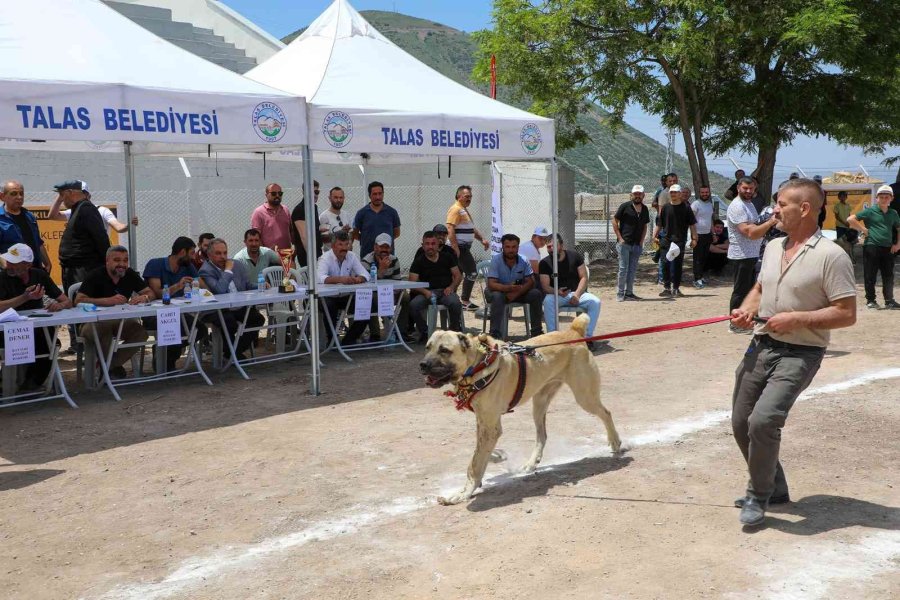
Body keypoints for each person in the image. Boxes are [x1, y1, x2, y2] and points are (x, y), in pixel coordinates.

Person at [729, 178, 856, 527]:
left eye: (782, 204)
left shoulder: (832, 256)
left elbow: (846, 313)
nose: (775, 210)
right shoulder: (772, 246)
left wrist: (797, 318)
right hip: (761, 345)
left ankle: (759, 494)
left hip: (801, 352)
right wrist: (746, 310)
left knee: (764, 420)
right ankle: (775, 487)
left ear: (804, 209)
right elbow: (759, 288)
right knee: (741, 421)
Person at [0, 244, 71, 391]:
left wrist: (59, 305)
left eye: (14, 262)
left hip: (34, 326)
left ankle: (33, 383)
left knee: (51, 341)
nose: (9, 265)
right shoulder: (2, 277)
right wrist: (25, 297)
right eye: (8, 260)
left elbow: (67, 301)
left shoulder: (39, 275)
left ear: (27, 265)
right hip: (6, 329)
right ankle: (7, 384)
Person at [75, 246, 151, 379]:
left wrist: (144, 297)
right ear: (107, 261)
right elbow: (78, 300)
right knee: (103, 330)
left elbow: (150, 292)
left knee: (140, 333)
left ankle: (109, 365)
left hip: (120, 320)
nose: (122, 264)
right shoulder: (95, 275)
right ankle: (111, 368)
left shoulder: (130, 274)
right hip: (92, 322)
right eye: (117, 260)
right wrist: (107, 301)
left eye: (125, 260)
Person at [142, 236, 202, 372]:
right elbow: (157, 293)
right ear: (182, 252)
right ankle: (165, 361)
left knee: (200, 329)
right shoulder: (155, 264)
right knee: (182, 327)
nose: (193, 257)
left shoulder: (188, 266)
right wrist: (178, 286)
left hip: (178, 313)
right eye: (191, 253)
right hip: (154, 314)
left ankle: (167, 356)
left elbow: (200, 283)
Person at [199, 238, 266, 359]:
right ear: (209, 255)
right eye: (218, 253)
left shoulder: (237, 264)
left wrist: (261, 285)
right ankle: (234, 354)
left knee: (257, 319)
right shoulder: (206, 270)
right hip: (217, 309)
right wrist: (228, 271)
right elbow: (220, 290)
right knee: (229, 322)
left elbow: (247, 285)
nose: (223, 256)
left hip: (238, 306)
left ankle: (233, 352)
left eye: (225, 253)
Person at [726, 177, 777, 332]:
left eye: (751, 189)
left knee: (750, 291)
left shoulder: (749, 204)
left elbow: (755, 226)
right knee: (740, 292)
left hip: (751, 254)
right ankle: (734, 323)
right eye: (745, 188)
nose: (748, 191)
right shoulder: (737, 206)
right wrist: (770, 222)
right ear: (738, 188)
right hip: (741, 255)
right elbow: (749, 232)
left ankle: (746, 321)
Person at [539, 235, 601, 348]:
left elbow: (584, 277)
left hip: (577, 293)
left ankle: (586, 338)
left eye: (554, 246)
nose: (551, 249)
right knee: (548, 301)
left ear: (562, 245)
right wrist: (557, 291)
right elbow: (545, 286)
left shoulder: (575, 256)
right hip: (557, 295)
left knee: (595, 302)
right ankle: (553, 338)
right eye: (548, 247)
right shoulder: (544, 263)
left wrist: (577, 295)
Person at [316, 230, 374, 346]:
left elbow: (366, 274)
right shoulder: (325, 258)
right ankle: (332, 340)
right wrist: (341, 279)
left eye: (346, 244)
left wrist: (359, 279)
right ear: (333, 246)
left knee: (366, 304)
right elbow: (321, 278)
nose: (344, 248)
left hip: (345, 296)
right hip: (326, 297)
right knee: (329, 306)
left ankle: (348, 341)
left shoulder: (351, 256)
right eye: (340, 244)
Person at [847, 184, 900, 310]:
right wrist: (863, 229)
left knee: (888, 275)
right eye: (881, 197)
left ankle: (889, 301)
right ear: (877, 198)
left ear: (891, 198)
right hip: (871, 246)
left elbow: (899, 228)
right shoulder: (870, 211)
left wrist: (898, 244)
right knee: (870, 274)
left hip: (888, 248)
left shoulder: (893, 213)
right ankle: (871, 301)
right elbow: (850, 219)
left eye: (887, 197)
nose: (884, 199)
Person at [57, 180, 111, 298]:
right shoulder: (77, 209)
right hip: (73, 270)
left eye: (62, 195)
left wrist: (107, 265)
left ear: (70, 192)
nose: (61, 199)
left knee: (83, 303)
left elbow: (101, 239)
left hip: (84, 270)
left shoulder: (86, 208)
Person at [486, 233, 543, 339]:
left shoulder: (524, 260)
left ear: (518, 247)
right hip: (498, 291)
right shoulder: (496, 260)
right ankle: (494, 334)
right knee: (497, 296)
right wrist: (507, 288)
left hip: (517, 290)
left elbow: (530, 281)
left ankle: (537, 333)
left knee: (536, 294)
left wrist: (516, 293)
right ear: (503, 247)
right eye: (507, 247)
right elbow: (491, 284)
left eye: (514, 247)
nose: (511, 250)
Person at [408, 231, 463, 342]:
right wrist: (425, 292)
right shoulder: (418, 261)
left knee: (455, 303)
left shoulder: (447, 257)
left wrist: (451, 287)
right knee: (413, 305)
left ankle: (453, 332)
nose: (430, 247)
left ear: (438, 245)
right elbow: (412, 282)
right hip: (427, 293)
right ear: (423, 245)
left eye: (433, 244)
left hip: (445, 292)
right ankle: (425, 332)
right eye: (427, 244)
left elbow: (458, 275)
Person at [445, 185, 489, 311]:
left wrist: (482, 239)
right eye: (466, 196)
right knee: (472, 272)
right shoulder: (456, 209)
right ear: (459, 196)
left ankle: (451, 298)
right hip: (460, 248)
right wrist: (455, 248)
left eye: (470, 196)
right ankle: (464, 300)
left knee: (457, 276)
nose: (469, 199)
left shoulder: (463, 210)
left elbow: (471, 229)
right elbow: (450, 228)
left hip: (463, 248)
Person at [361, 232, 409, 340]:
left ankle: (401, 331)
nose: (384, 250)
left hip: (390, 292)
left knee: (405, 296)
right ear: (375, 247)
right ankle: (375, 334)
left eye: (387, 247)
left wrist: (392, 292)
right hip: (374, 293)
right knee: (372, 298)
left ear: (390, 248)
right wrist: (381, 271)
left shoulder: (394, 260)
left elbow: (397, 282)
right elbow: (366, 285)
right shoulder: (366, 261)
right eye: (381, 247)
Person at [654, 184, 697, 297]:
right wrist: (654, 235)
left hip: (679, 240)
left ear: (680, 194)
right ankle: (667, 288)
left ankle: (676, 288)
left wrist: (694, 238)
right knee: (665, 264)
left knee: (677, 265)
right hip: (666, 239)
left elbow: (692, 224)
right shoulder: (665, 207)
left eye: (675, 192)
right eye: (671, 192)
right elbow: (660, 224)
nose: (673, 194)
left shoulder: (686, 208)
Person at [48, 183, 138, 238]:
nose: (73, 197)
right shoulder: (73, 212)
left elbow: (118, 227)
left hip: (97, 256)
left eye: (77, 194)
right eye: (71, 194)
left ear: (88, 195)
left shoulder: (103, 211)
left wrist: (128, 225)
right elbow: (53, 216)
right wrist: (61, 197)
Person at [0, 180, 51, 271]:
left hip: (34, 271)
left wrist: (47, 263)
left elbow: (38, 242)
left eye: (21, 193)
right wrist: (7, 267)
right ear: (2, 196)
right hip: (12, 273)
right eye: (14, 194)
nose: (19, 197)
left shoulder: (29, 216)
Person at [612, 184, 650, 301]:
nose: (637, 196)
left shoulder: (645, 209)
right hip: (625, 244)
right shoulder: (625, 206)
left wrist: (641, 241)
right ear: (631, 195)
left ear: (643, 195)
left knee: (632, 270)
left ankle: (629, 293)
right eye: (635, 194)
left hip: (637, 245)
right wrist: (620, 238)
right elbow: (614, 221)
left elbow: (645, 226)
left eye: (639, 194)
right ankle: (620, 294)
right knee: (623, 269)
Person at [352, 181, 401, 257]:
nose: (378, 197)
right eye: (374, 194)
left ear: (383, 194)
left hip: (387, 256)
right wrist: (366, 239)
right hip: (367, 256)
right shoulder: (361, 213)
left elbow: (397, 233)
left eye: (380, 193)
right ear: (369, 195)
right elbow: (355, 234)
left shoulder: (392, 212)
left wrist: (384, 242)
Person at [250, 182, 292, 251]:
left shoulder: (285, 210)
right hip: (268, 255)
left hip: (287, 254)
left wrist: (295, 248)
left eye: (280, 193)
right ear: (266, 195)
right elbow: (256, 237)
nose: (277, 196)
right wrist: (265, 254)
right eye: (273, 194)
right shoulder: (258, 212)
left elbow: (291, 231)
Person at [292, 179, 322, 268]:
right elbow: (304, 237)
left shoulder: (314, 207)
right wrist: (312, 258)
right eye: (311, 192)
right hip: (307, 254)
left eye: (316, 192)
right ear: (304, 192)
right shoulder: (300, 209)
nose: (314, 195)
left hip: (316, 251)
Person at [691, 185, 714, 288]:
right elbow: (691, 221)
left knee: (704, 257)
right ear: (699, 193)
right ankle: (696, 279)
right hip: (698, 235)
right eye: (703, 192)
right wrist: (693, 235)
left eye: (706, 192)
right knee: (698, 258)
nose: (705, 194)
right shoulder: (695, 204)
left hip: (707, 234)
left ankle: (701, 276)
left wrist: (713, 233)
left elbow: (710, 220)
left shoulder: (710, 204)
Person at [319, 186, 351, 251]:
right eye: (336, 197)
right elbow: (323, 238)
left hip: (345, 254)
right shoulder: (324, 216)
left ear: (344, 198)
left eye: (341, 197)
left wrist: (350, 245)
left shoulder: (346, 215)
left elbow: (350, 234)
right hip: (330, 254)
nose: (338, 200)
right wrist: (340, 233)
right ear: (329, 198)